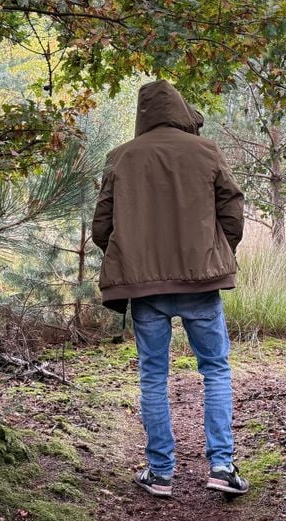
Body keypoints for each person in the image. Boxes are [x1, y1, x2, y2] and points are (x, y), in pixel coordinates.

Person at [91, 79, 249, 498]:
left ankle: (160, 472)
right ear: (180, 109)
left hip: (145, 289)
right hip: (202, 282)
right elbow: (232, 210)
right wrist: (216, 251)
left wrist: (134, 259)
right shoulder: (206, 151)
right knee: (214, 369)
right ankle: (222, 466)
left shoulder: (120, 158)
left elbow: (101, 227)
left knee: (153, 376)